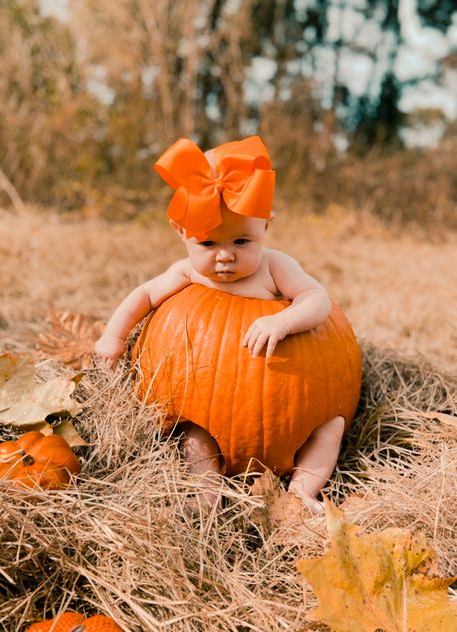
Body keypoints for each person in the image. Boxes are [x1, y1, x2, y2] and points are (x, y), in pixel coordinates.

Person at [95, 136, 345, 514]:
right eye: (208, 243)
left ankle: (302, 491)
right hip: (211, 405)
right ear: (181, 232)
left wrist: (283, 320)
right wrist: (113, 337)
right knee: (193, 433)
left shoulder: (275, 267)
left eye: (242, 241)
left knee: (332, 425)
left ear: (267, 225)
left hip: (292, 405)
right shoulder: (185, 272)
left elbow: (318, 299)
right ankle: (206, 490)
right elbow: (144, 295)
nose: (225, 256)